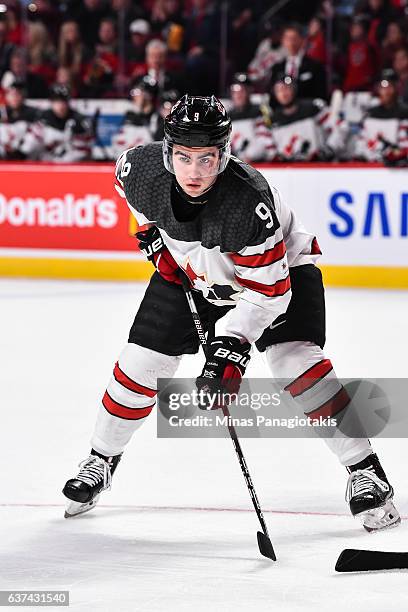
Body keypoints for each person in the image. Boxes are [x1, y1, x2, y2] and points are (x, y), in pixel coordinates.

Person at [62, 94, 400, 533]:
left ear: (223, 154)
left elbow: (268, 294)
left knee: (294, 361)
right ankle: (100, 459)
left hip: (278, 274)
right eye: (183, 157)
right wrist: (150, 236)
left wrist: (231, 348)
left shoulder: (248, 205)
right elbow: (132, 201)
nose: (195, 171)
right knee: (142, 362)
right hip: (195, 272)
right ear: (167, 152)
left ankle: (365, 469)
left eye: (207, 159)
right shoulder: (138, 169)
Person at [263, 75, 346, 161]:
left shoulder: (312, 108)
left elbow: (339, 126)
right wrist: (275, 157)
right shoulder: (273, 120)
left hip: (319, 166)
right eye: (279, 90)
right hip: (288, 170)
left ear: (294, 89)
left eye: (287, 88)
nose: (284, 93)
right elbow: (269, 148)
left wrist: (330, 148)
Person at [22, 84, 94, 162]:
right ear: (51, 102)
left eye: (63, 101)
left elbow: (84, 152)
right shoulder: (43, 118)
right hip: (46, 164)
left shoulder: (79, 121)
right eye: (56, 101)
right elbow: (29, 145)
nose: (60, 105)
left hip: (70, 167)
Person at [355, 69, 408, 163]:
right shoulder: (370, 114)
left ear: (397, 88)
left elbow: (404, 144)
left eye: (390, 86)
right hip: (371, 165)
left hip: (397, 167)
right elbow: (361, 142)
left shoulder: (404, 113)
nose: (386, 91)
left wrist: (398, 153)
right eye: (382, 87)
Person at [270, 23, 327, 102]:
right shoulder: (277, 68)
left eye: (294, 38)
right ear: (282, 41)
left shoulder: (315, 66)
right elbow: (273, 96)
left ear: (302, 40)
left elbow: (321, 96)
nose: (291, 42)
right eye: (287, 38)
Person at [0, 80, 39, 159]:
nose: (15, 98)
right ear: (7, 96)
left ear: (23, 96)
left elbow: (36, 136)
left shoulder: (32, 113)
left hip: (25, 155)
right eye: (12, 95)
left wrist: (22, 150)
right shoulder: (2, 111)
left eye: (18, 94)